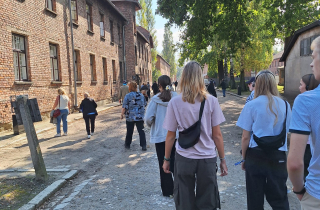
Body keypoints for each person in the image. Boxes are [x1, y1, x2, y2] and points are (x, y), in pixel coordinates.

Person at [162, 61, 228, 210]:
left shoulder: (175, 102)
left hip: (184, 157)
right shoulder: (212, 101)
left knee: (184, 199)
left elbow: (171, 136)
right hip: (207, 158)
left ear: (184, 77)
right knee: (207, 200)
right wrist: (223, 159)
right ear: (201, 77)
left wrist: (166, 159)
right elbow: (217, 135)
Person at [236, 70, 291, 210]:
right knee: (279, 198)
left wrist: (244, 158)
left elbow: (245, 136)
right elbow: (288, 132)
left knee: (254, 199)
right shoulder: (285, 105)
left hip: (255, 155)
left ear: (257, 84)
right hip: (278, 156)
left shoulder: (251, 105)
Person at [288, 36, 320, 210]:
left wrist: (299, 190)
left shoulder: (306, 101)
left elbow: (294, 162)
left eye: (313, 56)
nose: (311, 64)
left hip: (316, 194)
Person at [145, 75, 178, 197]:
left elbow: (148, 118)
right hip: (176, 135)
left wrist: (152, 124)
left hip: (160, 135)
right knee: (176, 162)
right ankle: (180, 188)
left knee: (163, 163)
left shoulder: (155, 100)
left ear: (159, 85)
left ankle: (168, 190)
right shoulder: (177, 98)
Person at [298, 74, 319, 180]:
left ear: (307, 87)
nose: (299, 87)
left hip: (307, 147)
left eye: (301, 84)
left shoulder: (303, 103)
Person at [121, 81, 147, 151]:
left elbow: (124, 107)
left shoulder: (128, 96)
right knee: (141, 131)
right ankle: (143, 145)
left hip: (130, 117)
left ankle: (127, 144)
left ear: (129, 87)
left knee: (129, 131)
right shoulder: (141, 95)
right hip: (140, 116)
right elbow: (144, 104)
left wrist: (121, 114)